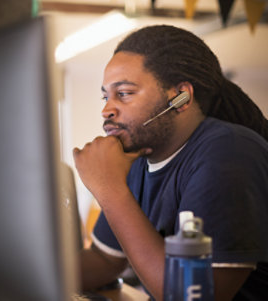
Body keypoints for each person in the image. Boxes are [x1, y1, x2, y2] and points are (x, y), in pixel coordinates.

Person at [73, 25, 268, 301]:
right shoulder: (138, 160)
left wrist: (109, 190)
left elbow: (190, 295)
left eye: (124, 93)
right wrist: (15, 277)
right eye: (106, 96)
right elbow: (105, 260)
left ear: (181, 98)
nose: (107, 110)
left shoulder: (229, 153)